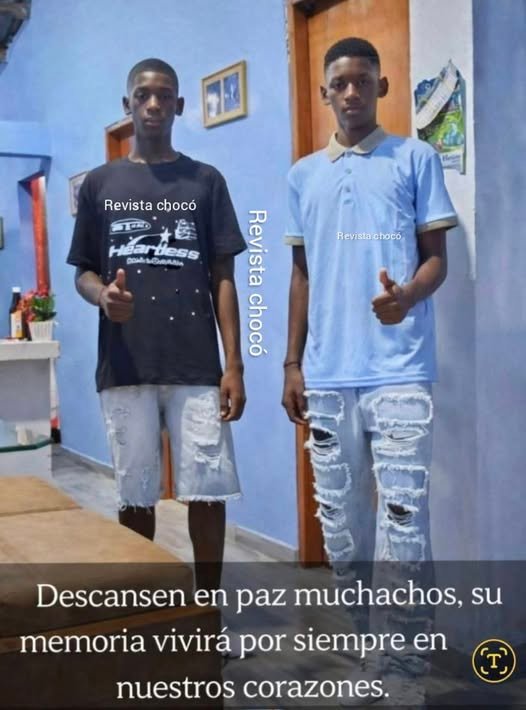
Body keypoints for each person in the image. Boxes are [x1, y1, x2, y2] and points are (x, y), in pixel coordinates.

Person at [281, 38, 457, 707]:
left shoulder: (415, 159)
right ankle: (372, 651)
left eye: (362, 81)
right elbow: (299, 275)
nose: (351, 92)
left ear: (382, 87)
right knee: (344, 536)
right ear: (325, 93)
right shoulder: (302, 176)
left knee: (403, 529)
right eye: (340, 83)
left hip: (400, 370)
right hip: (326, 377)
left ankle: (403, 672)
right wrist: (292, 362)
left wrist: (405, 296)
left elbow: (436, 258)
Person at [67, 58, 247, 594]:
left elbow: (224, 277)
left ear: (179, 106)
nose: (153, 104)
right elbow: (83, 273)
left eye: (164, 95)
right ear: (127, 105)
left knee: (208, 492)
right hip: (125, 364)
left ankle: (208, 613)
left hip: (197, 365)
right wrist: (104, 297)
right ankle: (146, 609)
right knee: (136, 496)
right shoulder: (100, 184)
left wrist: (234, 365)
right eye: (143, 94)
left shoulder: (205, 182)